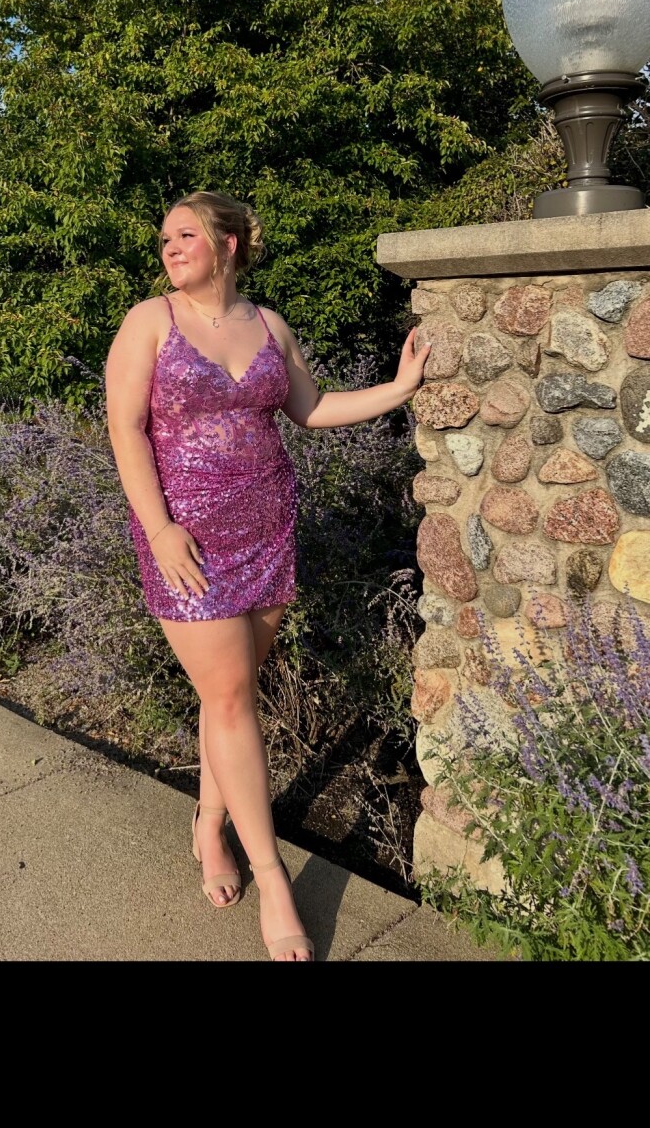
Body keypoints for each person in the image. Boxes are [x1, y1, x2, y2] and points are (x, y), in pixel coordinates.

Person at [105, 190, 431, 962]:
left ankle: (209, 824)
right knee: (229, 698)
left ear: (228, 243)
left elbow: (309, 409)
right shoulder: (149, 321)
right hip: (186, 542)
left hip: (265, 531)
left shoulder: (268, 325)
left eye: (185, 234)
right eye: (164, 238)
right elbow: (125, 428)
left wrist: (399, 388)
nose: (169, 247)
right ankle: (273, 875)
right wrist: (160, 528)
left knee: (229, 695)